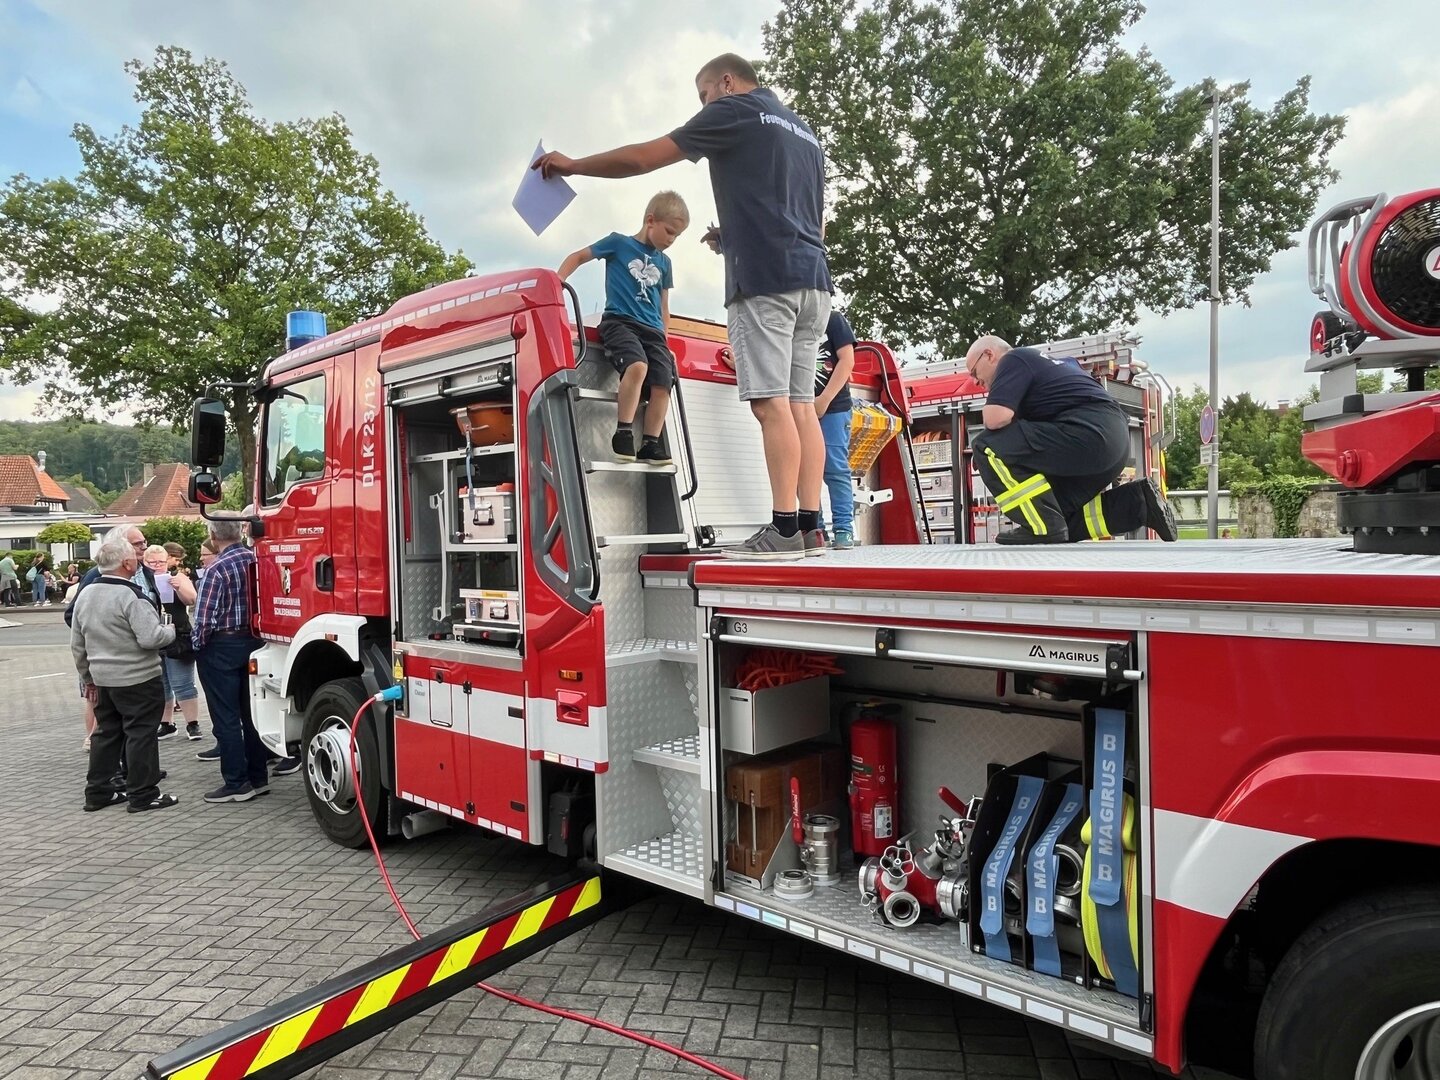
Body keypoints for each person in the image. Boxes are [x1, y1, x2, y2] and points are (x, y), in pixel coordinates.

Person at [534, 52, 833, 561]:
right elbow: (807, 220)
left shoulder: (734, 110)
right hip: (814, 283)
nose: (704, 105)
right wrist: (731, 237)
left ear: (726, 81)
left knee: (771, 404)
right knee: (802, 405)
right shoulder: (804, 133)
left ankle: (782, 529)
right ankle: (809, 527)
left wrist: (573, 165)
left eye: (704, 95)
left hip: (766, 282)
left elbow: (642, 159)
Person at [963, 335, 1178, 545]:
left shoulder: (1013, 359)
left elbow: (995, 418)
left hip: (1088, 435)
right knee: (1057, 516)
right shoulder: (1052, 366)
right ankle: (1138, 503)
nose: (975, 381)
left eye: (974, 372)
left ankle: (1042, 528)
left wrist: (994, 451)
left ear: (989, 355)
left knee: (985, 445)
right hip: (1111, 441)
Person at [558, 192, 688, 465]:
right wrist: (558, 280)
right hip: (621, 321)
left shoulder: (665, 263)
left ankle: (650, 443)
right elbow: (579, 256)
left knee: (664, 381)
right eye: (669, 232)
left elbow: (664, 306)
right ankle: (623, 432)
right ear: (650, 220)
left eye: (677, 236)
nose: (671, 240)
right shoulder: (618, 243)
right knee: (638, 366)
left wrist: (665, 342)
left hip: (653, 331)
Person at [71, 530, 179, 813]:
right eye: (133, 557)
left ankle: (98, 792)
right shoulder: (131, 596)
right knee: (141, 734)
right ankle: (143, 794)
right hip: (138, 678)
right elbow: (150, 638)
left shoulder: (86, 594)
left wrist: (88, 678)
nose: (137, 561)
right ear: (126, 564)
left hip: (103, 678)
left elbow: (77, 644)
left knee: (106, 734)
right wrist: (170, 629)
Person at [192, 518, 271, 803]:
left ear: (214, 536)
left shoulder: (216, 569)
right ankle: (258, 777)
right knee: (251, 714)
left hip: (221, 645)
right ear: (239, 532)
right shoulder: (256, 560)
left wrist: (197, 645)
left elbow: (204, 618)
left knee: (225, 717)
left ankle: (236, 782)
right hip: (253, 640)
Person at [143, 544, 202, 742]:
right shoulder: (141, 580)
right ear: (145, 562)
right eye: (152, 562)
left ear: (167, 561)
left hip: (178, 635)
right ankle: (166, 723)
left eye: (161, 561)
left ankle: (193, 724)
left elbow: (192, 600)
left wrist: (178, 588)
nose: (157, 565)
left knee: (182, 682)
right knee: (161, 684)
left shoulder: (178, 577)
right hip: (153, 636)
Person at [814, 310, 858, 549]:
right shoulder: (789, 320)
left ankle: (843, 528)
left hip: (834, 407)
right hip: (799, 406)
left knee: (835, 468)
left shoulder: (832, 319)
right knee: (802, 468)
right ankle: (815, 528)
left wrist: (824, 399)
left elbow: (847, 361)